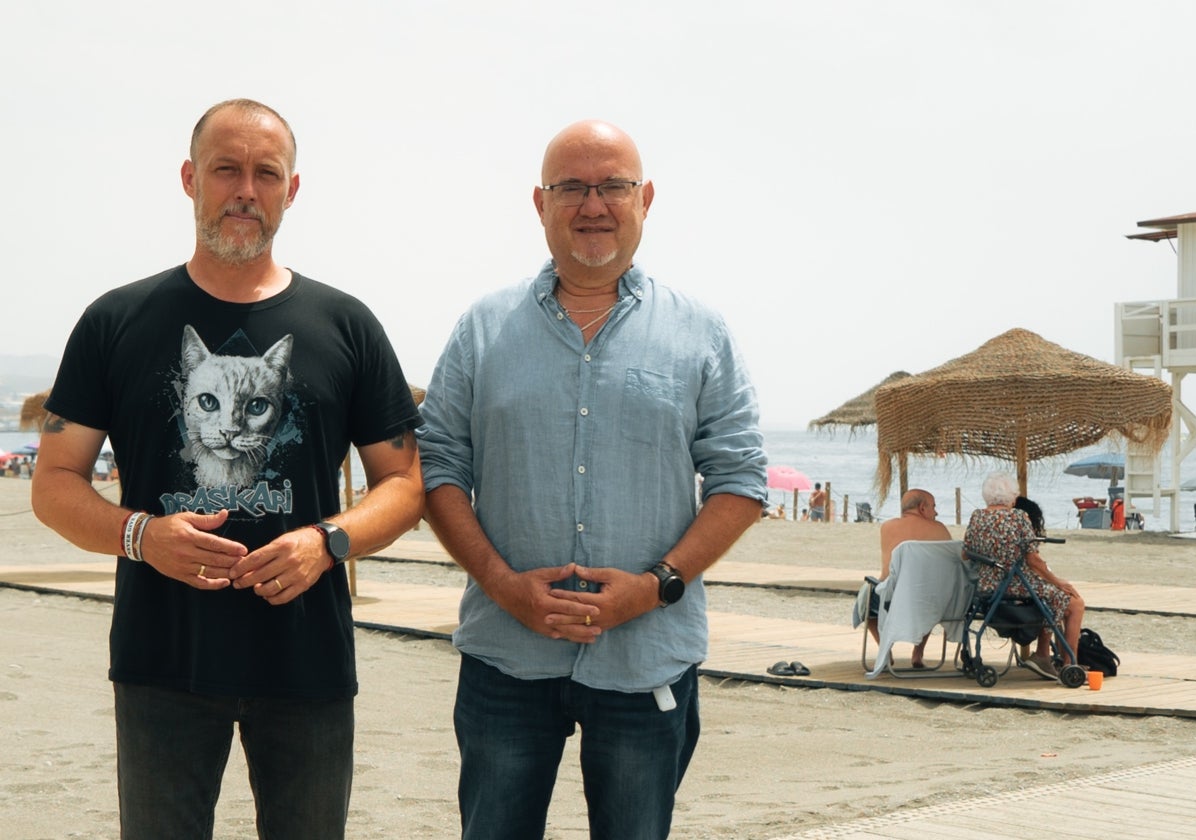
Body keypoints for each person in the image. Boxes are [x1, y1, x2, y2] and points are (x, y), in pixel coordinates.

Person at [30, 99, 424, 839]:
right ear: (189, 179)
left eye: (265, 173)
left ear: (291, 190)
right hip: (161, 662)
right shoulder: (117, 320)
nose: (246, 189)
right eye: (226, 169)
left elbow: (404, 483)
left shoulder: (346, 326)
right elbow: (54, 482)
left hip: (306, 662)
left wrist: (327, 543)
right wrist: (141, 535)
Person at [418, 119, 767, 840]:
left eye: (613, 186)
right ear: (539, 203)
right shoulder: (481, 328)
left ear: (646, 199)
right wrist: (502, 584)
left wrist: (656, 586)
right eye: (571, 187)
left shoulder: (701, 332)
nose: (593, 204)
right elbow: (439, 470)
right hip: (505, 654)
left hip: (647, 657)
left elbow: (740, 481)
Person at [963, 474, 1084, 681]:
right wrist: (1057, 581)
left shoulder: (977, 516)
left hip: (986, 586)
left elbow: (965, 553)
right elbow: (1033, 560)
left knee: (1055, 596)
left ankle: (1046, 655)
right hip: (1015, 585)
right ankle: (1067, 663)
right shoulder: (1019, 517)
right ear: (1011, 497)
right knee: (1075, 602)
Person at [869, 489, 953, 667]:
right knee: (932, 600)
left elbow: (885, 572)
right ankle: (918, 653)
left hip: (890, 599)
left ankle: (885, 650)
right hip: (929, 599)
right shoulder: (939, 529)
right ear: (922, 508)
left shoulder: (888, 527)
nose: (936, 512)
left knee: (866, 604)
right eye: (934, 507)